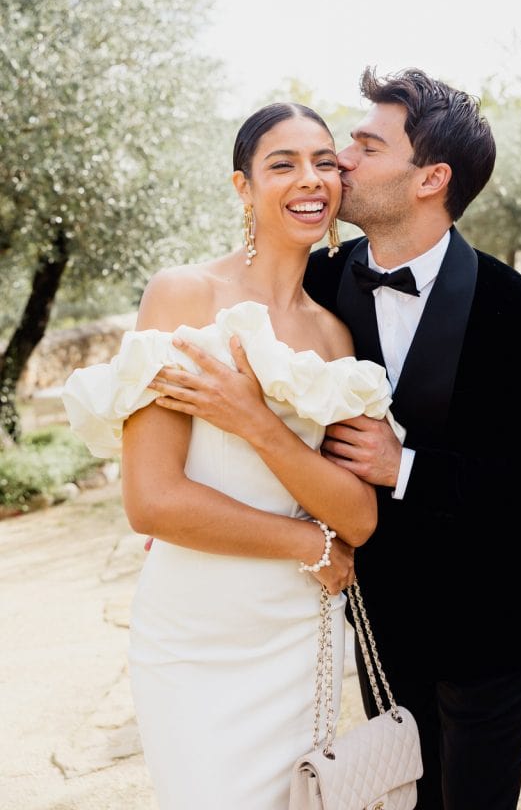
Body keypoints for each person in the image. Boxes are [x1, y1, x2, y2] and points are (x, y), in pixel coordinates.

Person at [150, 67, 521, 810]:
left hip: (491, 624)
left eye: (364, 145)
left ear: (430, 178)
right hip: (377, 617)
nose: (341, 162)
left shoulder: (517, 311)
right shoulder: (318, 288)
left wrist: (406, 465)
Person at [61, 101, 406, 810]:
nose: (309, 179)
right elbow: (152, 502)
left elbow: (359, 519)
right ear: (242, 188)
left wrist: (253, 419)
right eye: (282, 164)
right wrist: (309, 543)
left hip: (296, 636)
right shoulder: (185, 295)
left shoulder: (335, 339)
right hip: (195, 635)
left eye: (322, 162)